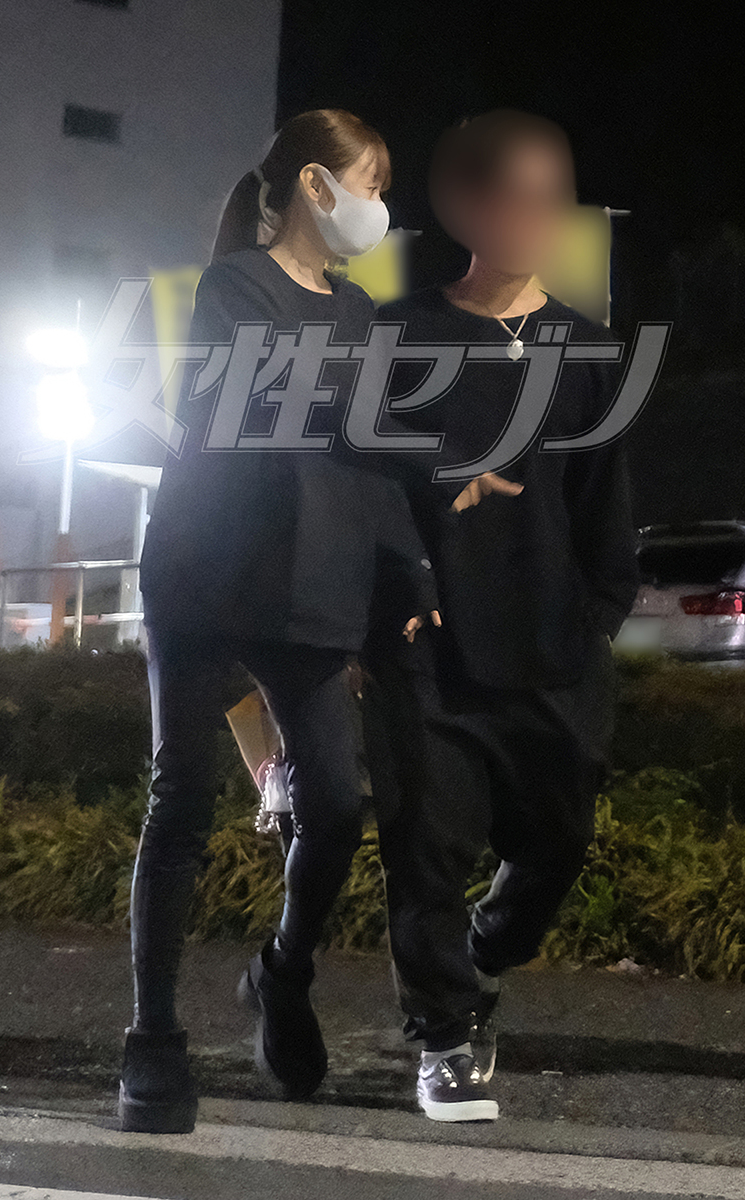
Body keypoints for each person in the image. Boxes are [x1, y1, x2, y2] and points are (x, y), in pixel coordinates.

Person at [118, 107, 517, 1135]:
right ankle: (152, 1042)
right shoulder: (232, 290)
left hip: (308, 588)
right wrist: (436, 460)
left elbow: (371, 461)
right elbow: (315, 413)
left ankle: (282, 971)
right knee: (180, 802)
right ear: (313, 184)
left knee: (335, 807)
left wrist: (414, 576)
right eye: (371, 182)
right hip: (206, 575)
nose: (379, 205)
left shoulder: (357, 312)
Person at [360, 109, 641, 1123]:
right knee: (425, 851)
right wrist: (387, 609)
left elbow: (603, 502)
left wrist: (598, 613)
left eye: (548, 199)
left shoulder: (590, 349)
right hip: (429, 650)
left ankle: (484, 954)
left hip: (555, 648)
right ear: (467, 207)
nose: (532, 217)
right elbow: (364, 484)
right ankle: (442, 1034)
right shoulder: (398, 335)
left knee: (556, 842)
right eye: (511, 197)